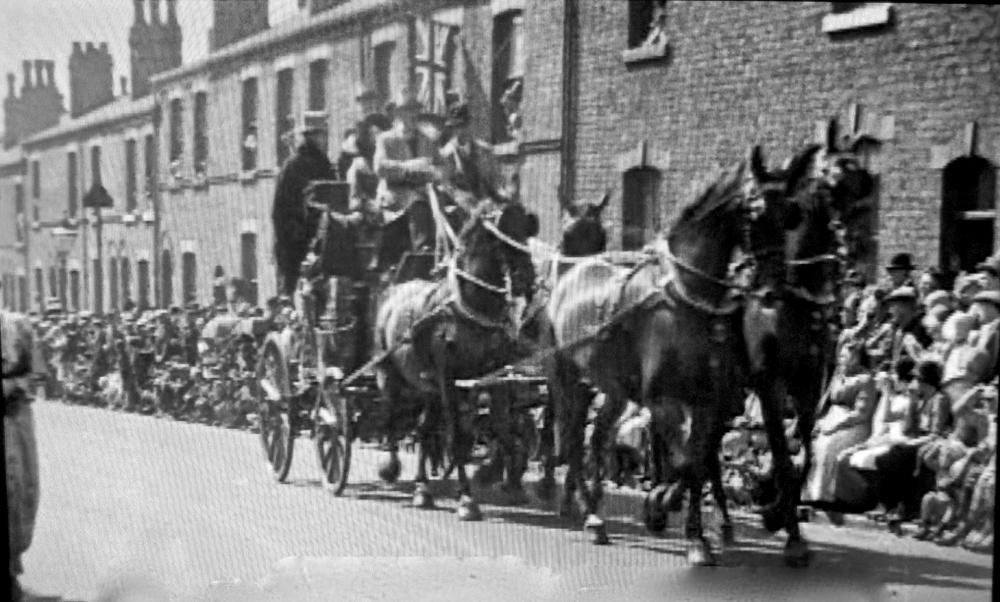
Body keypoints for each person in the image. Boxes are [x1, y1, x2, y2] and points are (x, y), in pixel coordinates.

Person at [802, 340, 879, 515]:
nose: (842, 359)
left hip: (854, 424)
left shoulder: (866, 380)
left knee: (830, 445)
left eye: (847, 355)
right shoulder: (838, 376)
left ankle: (826, 495)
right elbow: (825, 403)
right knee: (814, 442)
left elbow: (862, 413)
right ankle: (812, 494)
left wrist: (837, 425)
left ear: (858, 357)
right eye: (841, 355)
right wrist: (820, 421)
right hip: (831, 418)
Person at [2, 288, 44, 601]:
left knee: (20, 491)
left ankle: (12, 572)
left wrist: (17, 384)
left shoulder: (18, 326)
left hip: (14, 420)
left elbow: (36, 374)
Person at [272, 111, 338, 296]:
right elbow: (280, 212)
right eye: (318, 134)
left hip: (322, 239)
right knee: (298, 292)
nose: (323, 139)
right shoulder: (293, 167)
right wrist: (299, 236)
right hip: (298, 246)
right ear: (310, 137)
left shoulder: (325, 166)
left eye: (323, 134)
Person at [373, 88, 440, 265]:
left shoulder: (428, 139)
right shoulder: (385, 139)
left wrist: (435, 172)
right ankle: (423, 252)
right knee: (417, 203)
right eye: (407, 111)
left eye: (415, 111)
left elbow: (442, 165)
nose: (413, 115)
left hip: (425, 193)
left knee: (448, 207)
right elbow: (379, 167)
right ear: (398, 114)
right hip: (394, 195)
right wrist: (407, 167)